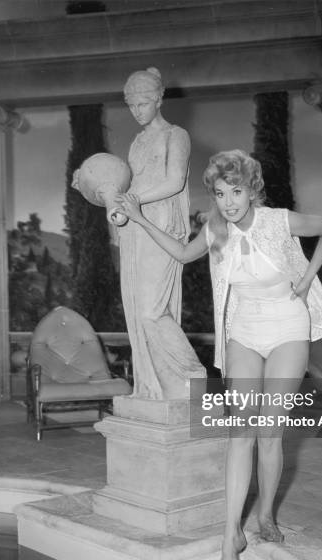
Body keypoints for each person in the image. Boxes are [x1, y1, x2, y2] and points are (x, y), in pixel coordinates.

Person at [117, 149, 322, 560]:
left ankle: (264, 514)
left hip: (288, 329)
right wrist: (140, 219)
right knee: (241, 434)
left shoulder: (278, 221)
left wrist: (310, 275)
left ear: (251, 189)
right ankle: (228, 536)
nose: (229, 201)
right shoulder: (216, 229)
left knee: (269, 434)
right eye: (220, 193)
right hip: (244, 332)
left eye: (236, 191)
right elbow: (182, 254)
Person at [112, 67, 205, 400]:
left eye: (143, 103)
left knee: (152, 310)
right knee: (138, 310)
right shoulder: (137, 142)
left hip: (161, 224)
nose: (137, 111)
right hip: (135, 227)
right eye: (132, 105)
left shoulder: (175, 135)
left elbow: (174, 182)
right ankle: (152, 388)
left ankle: (191, 375)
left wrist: (134, 203)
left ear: (158, 99)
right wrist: (100, 189)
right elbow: (128, 185)